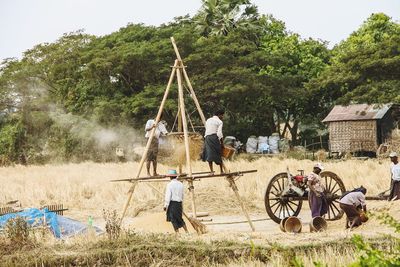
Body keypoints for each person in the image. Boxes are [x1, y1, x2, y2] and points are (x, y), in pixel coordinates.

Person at [164, 169, 189, 234]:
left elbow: (168, 196)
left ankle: (177, 233)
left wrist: (166, 205)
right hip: (179, 203)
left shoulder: (169, 185)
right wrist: (181, 203)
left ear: (170, 177)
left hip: (172, 204)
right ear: (176, 176)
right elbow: (182, 195)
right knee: (179, 218)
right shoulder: (180, 184)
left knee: (173, 219)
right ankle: (186, 231)